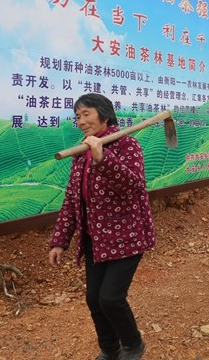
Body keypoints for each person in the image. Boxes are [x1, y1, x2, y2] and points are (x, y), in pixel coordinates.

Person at [48, 93, 156, 360]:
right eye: (77, 117)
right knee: (94, 300)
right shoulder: (80, 154)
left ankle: (133, 344)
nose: (81, 121)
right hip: (94, 239)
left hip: (127, 236)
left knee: (110, 298)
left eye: (86, 114)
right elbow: (73, 200)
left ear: (104, 114)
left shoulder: (127, 145)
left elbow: (133, 185)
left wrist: (103, 158)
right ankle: (110, 349)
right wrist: (60, 240)